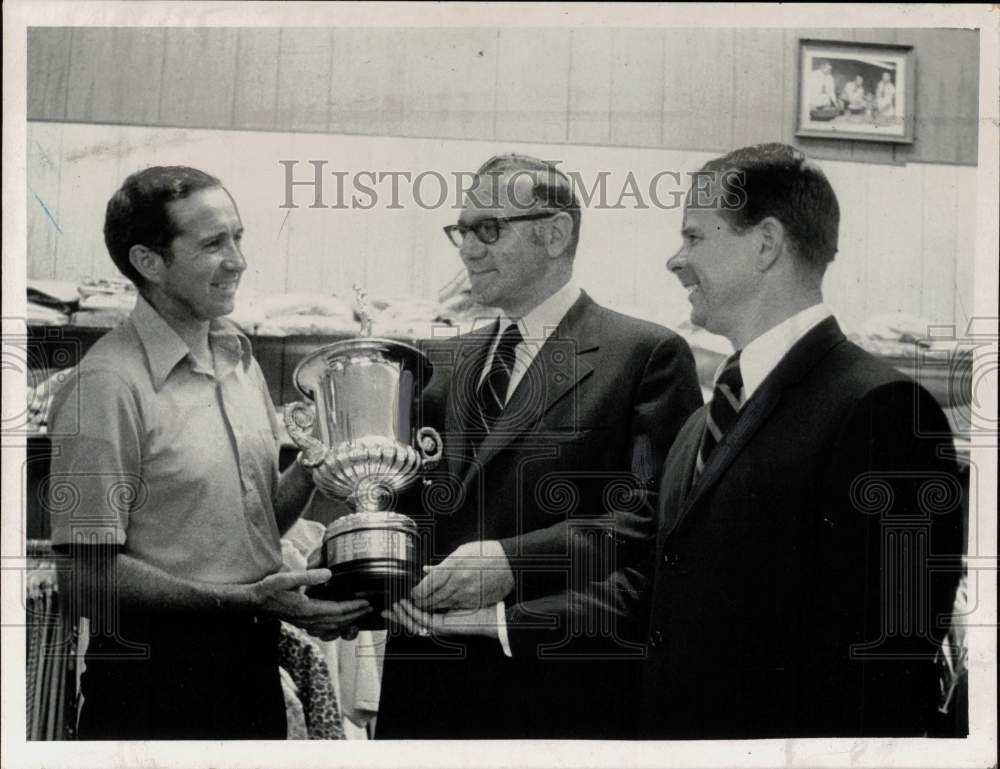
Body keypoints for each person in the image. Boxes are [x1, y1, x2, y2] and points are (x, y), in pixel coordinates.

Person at [639, 143, 964, 738]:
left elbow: (884, 668)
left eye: (694, 238)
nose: (675, 261)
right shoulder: (699, 424)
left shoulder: (880, 411)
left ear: (765, 244)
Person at [375, 154, 703, 738]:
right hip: (425, 695)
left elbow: (652, 518)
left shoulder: (644, 355)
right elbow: (406, 506)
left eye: (488, 229)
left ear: (556, 234)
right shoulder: (440, 363)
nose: (468, 250)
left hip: (555, 696)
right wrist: (382, 571)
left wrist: (512, 563)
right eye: (462, 231)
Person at [48, 166, 371, 740]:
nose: (238, 260)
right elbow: (84, 577)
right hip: (151, 684)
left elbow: (257, 520)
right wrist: (244, 598)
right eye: (213, 244)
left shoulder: (239, 360)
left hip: (251, 668)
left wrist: (316, 464)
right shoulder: (105, 384)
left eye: (238, 237)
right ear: (149, 262)